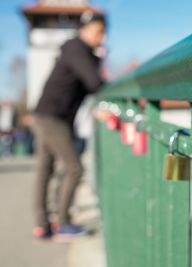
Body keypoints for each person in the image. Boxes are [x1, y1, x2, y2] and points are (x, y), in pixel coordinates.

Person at [31, 11, 106, 240]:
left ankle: (42, 225)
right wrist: (98, 59)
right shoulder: (77, 49)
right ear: (84, 30)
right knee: (75, 168)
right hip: (53, 117)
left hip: (46, 114)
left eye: (103, 33)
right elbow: (94, 82)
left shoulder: (76, 50)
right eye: (98, 32)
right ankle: (62, 223)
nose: (101, 38)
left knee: (45, 168)